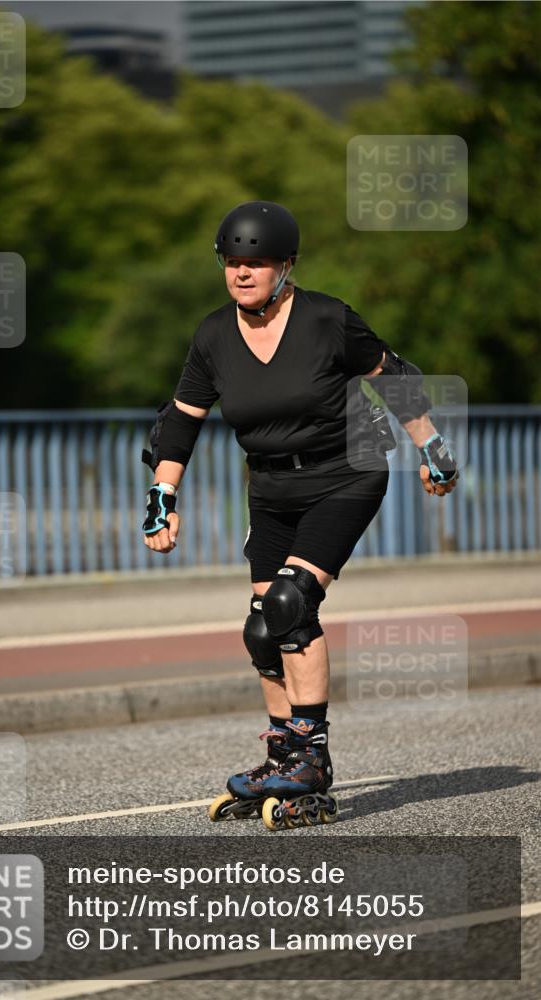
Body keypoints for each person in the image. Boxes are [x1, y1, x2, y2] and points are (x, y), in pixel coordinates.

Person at [141, 201, 458, 830]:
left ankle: (310, 760)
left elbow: (394, 378)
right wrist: (161, 497)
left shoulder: (327, 319)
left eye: (256, 262)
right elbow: (180, 420)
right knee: (263, 629)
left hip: (348, 470)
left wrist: (433, 447)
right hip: (270, 489)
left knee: (291, 604)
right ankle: (285, 754)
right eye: (233, 262)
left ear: (286, 266)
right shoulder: (212, 335)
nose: (243, 272)